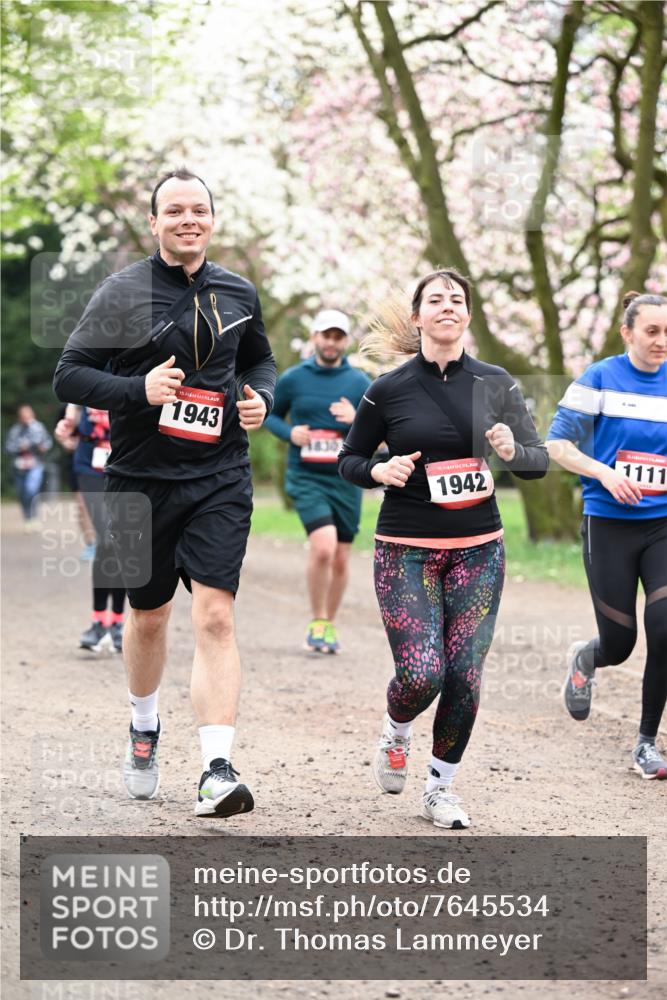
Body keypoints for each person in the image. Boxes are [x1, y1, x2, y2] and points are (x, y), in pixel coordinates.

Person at [53, 168, 276, 817]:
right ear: (154, 223)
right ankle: (144, 724)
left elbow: (258, 359)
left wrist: (260, 396)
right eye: (174, 210)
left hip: (220, 475)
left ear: (212, 220)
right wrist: (137, 390)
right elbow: (70, 374)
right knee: (148, 615)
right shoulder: (121, 292)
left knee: (216, 615)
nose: (188, 219)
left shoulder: (238, 291)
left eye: (198, 209)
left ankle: (216, 768)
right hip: (138, 481)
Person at [338, 269, 548, 828]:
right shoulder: (388, 389)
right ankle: (396, 728)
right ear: (418, 317)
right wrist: (379, 470)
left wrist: (513, 450)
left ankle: (440, 788)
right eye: (436, 299)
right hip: (405, 549)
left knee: (464, 673)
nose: (447, 306)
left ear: (468, 315)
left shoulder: (496, 383)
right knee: (421, 674)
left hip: (479, 549)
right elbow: (349, 459)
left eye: (457, 299)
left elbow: (537, 462)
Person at [546, 290, 667, 780]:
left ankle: (646, 743)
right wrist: (604, 473)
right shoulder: (599, 378)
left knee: (665, 629)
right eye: (652, 331)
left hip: (662, 524)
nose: (661, 340)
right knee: (620, 643)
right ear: (627, 333)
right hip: (609, 525)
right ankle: (587, 657)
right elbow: (557, 444)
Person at [264, 309, 371, 653]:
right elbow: (269, 415)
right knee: (324, 546)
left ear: (346, 341)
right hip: (306, 476)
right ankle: (317, 618)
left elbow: (381, 429)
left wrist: (357, 418)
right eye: (326, 335)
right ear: (314, 337)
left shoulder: (360, 382)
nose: (331, 342)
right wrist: (289, 432)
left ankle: (328, 625)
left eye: (338, 337)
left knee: (340, 557)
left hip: (345, 479)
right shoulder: (294, 379)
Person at [54, 405, 127, 653]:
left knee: (120, 543)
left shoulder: (137, 378)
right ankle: (98, 622)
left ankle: (116, 622)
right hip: (90, 467)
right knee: (107, 540)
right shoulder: (88, 378)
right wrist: (66, 424)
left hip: (126, 466)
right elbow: (72, 408)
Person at [5, 405, 52, 529]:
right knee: (22, 493)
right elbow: (8, 447)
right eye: (23, 417)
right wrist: (19, 448)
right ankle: (28, 518)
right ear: (19, 417)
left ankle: (34, 517)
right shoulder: (15, 430)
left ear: (32, 415)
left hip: (35, 464)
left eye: (28, 416)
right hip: (19, 467)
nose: (26, 419)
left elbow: (48, 443)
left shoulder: (39, 428)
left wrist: (43, 447)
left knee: (31, 490)